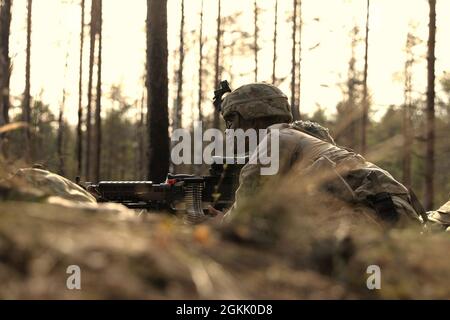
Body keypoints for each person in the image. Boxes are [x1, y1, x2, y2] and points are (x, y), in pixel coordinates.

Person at [208, 82, 427, 227]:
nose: (230, 131)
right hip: (393, 209)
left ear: (251, 117)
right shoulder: (305, 138)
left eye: (231, 122)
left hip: (375, 213)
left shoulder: (275, 138)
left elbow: (248, 205)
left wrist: (219, 224)